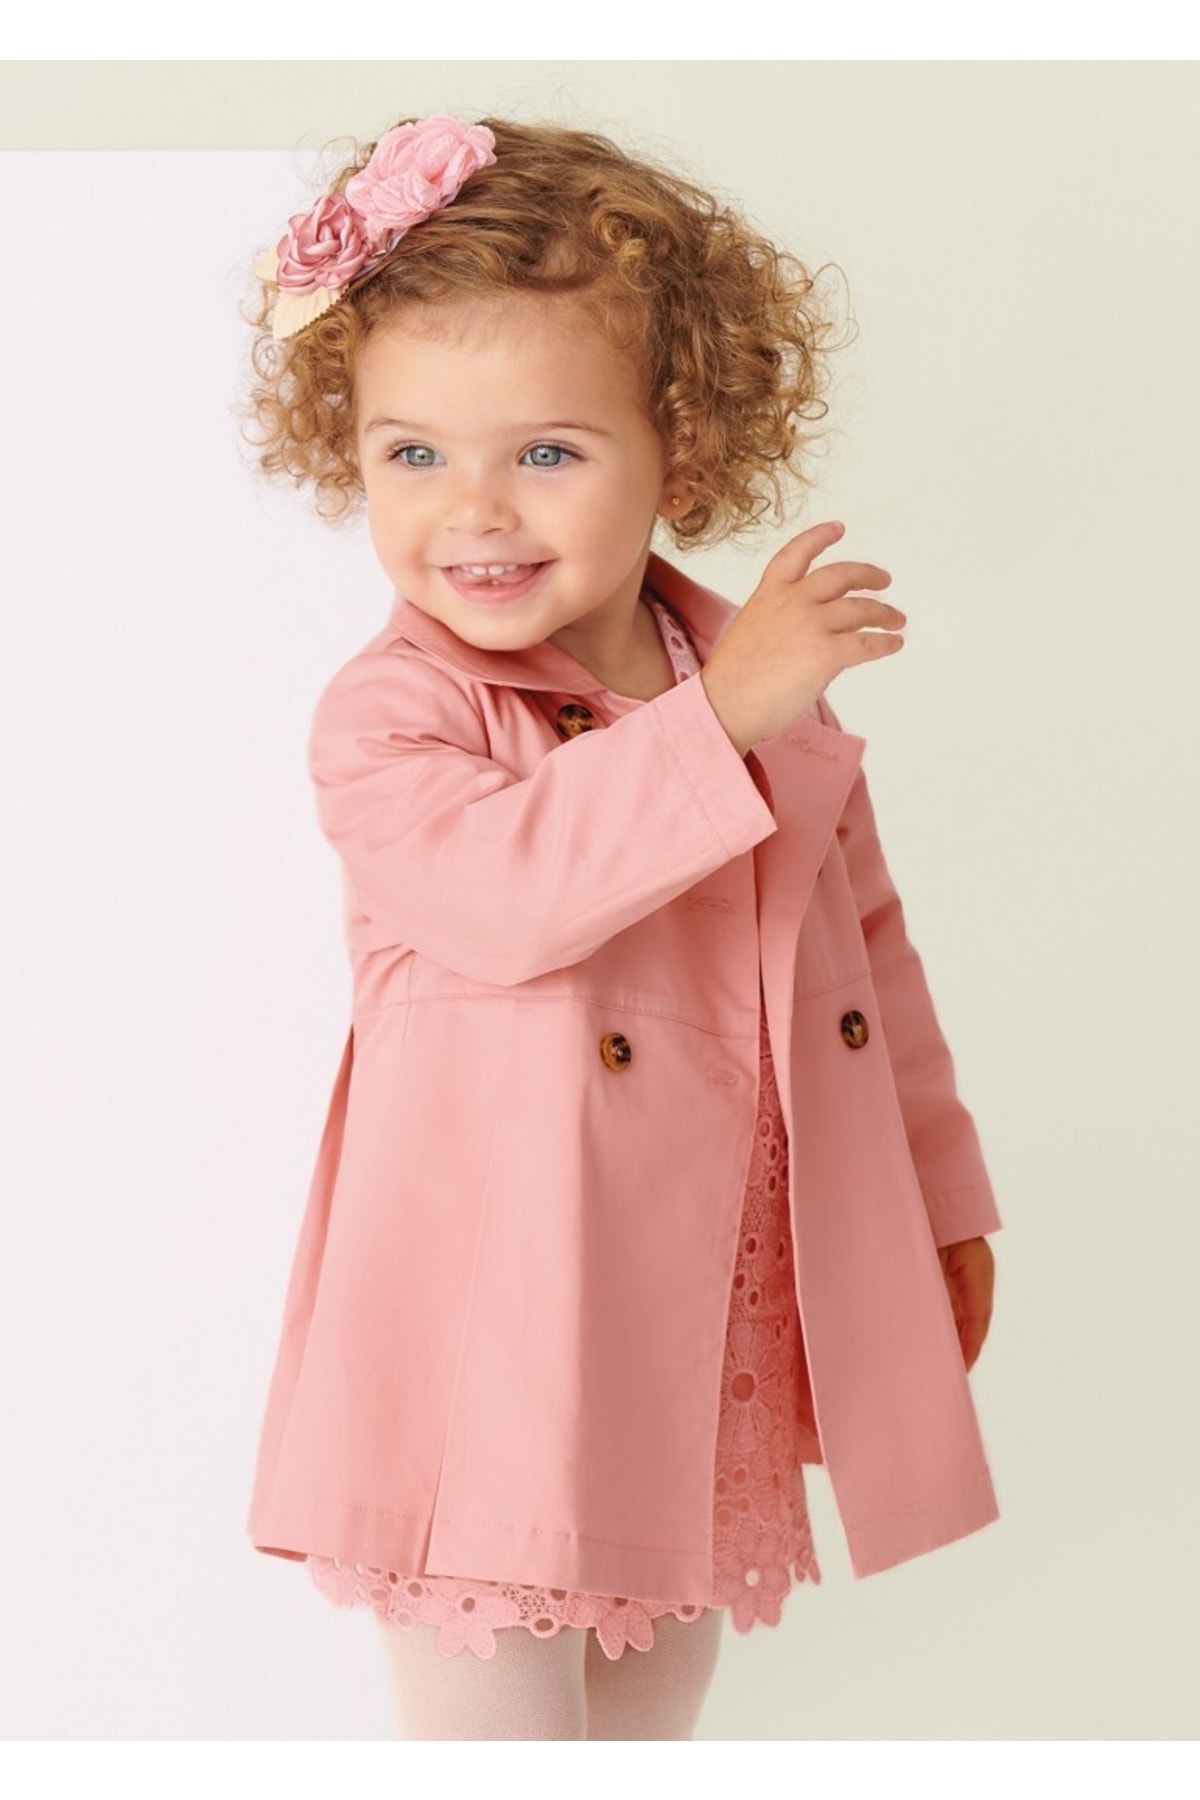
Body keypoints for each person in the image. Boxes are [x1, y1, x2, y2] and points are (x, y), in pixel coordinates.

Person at [240, 113, 1001, 1742]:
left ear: (683, 450)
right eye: (412, 453)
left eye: (548, 453)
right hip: (492, 1324)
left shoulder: (754, 690)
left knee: (654, 1715)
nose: (476, 511)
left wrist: (939, 1203)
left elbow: (867, 968)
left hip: (692, 1303)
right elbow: (507, 895)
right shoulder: (394, 713)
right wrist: (723, 719)